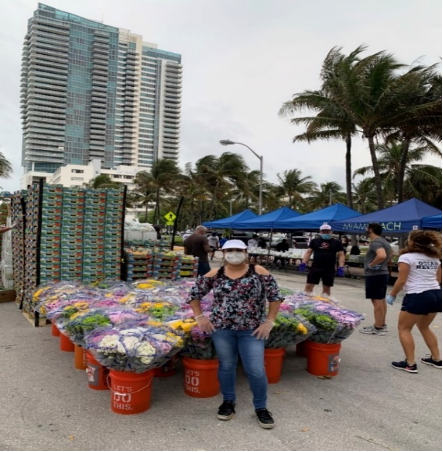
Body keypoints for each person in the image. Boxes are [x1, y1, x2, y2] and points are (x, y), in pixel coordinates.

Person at [188, 240, 283, 429]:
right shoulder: (216, 273)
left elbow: (275, 297)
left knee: (256, 369)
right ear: (223, 253)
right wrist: (200, 317)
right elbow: (194, 294)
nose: (234, 253)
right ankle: (228, 402)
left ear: (246, 252)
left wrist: (269, 322)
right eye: (229, 250)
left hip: (252, 330)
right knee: (227, 365)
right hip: (222, 329)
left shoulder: (258, 271)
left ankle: (261, 407)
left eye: (238, 250)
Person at [387, 231, 442, 373]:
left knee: (404, 328)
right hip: (436, 294)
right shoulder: (434, 257)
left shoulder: (406, 257)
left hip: (418, 294)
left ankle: (410, 363)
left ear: (412, 242)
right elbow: (439, 278)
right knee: (424, 326)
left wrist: (392, 294)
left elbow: (402, 280)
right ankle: (437, 359)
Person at [360, 223, 393, 336]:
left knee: (376, 301)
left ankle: (378, 327)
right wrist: (383, 264)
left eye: (367, 228)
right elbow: (390, 254)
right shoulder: (384, 241)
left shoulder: (376, 242)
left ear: (371, 230)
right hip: (382, 274)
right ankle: (381, 324)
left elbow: (382, 255)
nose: (365, 230)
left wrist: (371, 264)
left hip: (375, 275)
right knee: (381, 299)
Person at [299, 224, 346, 296]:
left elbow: (341, 255)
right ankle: (306, 299)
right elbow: (308, 252)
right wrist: (303, 263)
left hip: (329, 268)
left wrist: (341, 267)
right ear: (320, 232)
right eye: (324, 231)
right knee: (309, 285)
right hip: (316, 266)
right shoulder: (314, 241)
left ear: (331, 232)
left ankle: (324, 301)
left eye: (327, 231)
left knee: (326, 288)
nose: (325, 233)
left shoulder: (337, 242)